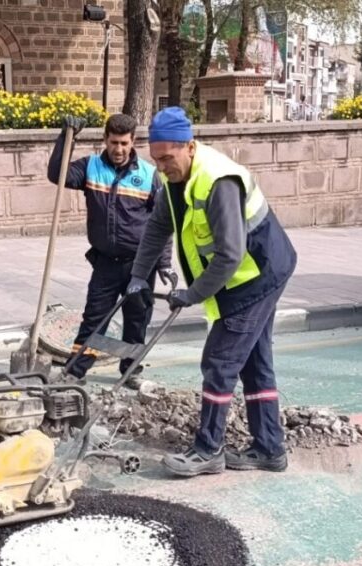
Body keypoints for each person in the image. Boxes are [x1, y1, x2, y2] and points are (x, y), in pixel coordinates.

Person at [127, 107, 298, 477]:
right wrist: (138, 276)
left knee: (219, 362)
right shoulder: (174, 182)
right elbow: (157, 229)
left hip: (256, 275)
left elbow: (231, 255)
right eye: (155, 160)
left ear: (189, 146)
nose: (161, 168)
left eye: (167, 159)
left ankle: (208, 450)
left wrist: (192, 294)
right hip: (245, 275)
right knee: (253, 362)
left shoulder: (218, 181)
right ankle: (269, 449)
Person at [48, 113, 176, 388]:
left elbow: (164, 222)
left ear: (133, 142)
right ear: (104, 140)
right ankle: (75, 371)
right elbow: (56, 175)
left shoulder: (148, 174)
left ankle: (130, 370)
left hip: (141, 265)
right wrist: (66, 137)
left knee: (137, 319)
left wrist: (164, 263)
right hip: (105, 262)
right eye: (114, 142)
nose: (118, 149)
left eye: (124, 143)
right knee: (94, 317)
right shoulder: (90, 167)